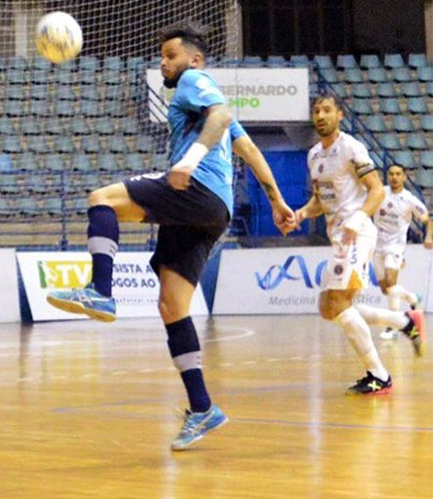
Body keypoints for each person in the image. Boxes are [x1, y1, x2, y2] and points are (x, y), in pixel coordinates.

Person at [45, 23, 295, 450]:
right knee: (171, 304)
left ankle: (99, 290)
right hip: (213, 213)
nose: (164, 62)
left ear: (194, 60)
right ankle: (202, 408)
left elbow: (222, 116)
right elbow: (249, 151)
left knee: (100, 198)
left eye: (171, 55)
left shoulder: (196, 82)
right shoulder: (200, 100)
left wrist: (190, 160)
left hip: (195, 189)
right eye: (162, 56)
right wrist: (277, 201)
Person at [285, 94, 425, 394]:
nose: (320, 115)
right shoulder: (313, 156)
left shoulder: (351, 147)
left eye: (327, 110)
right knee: (328, 308)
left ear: (339, 115)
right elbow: (321, 200)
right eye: (316, 111)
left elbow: (376, 191)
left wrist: (358, 218)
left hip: (358, 234)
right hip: (338, 237)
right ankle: (404, 321)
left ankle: (380, 375)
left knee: (338, 303)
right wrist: (301, 214)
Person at [372, 164, 431, 349]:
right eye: (391, 174)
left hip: (395, 246)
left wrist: (429, 237)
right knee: (386, 289)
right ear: (387, 176)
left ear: (404, 176)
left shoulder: (409, 200)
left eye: (398, 174)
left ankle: (394, 326)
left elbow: (427, 218)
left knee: (390, 282)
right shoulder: (380, 193)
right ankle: (413, 298)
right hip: (376, 245)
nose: (395, 177)